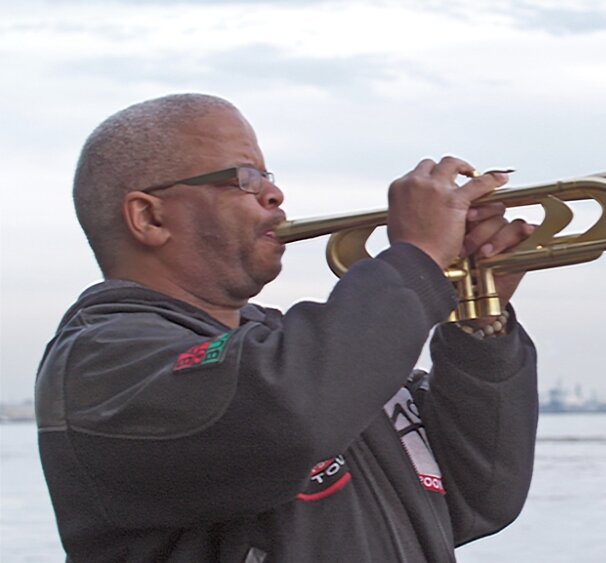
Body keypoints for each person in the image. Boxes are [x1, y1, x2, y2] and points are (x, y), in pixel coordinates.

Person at [35, 93, 539, 562]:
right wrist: (417, 259)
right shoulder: (105, 363)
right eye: (245, 178)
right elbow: (292, 413)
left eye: (268, 175)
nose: (274, 194)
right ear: (149, 217)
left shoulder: (293, 353)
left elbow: (480, 496)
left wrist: (479, 316)